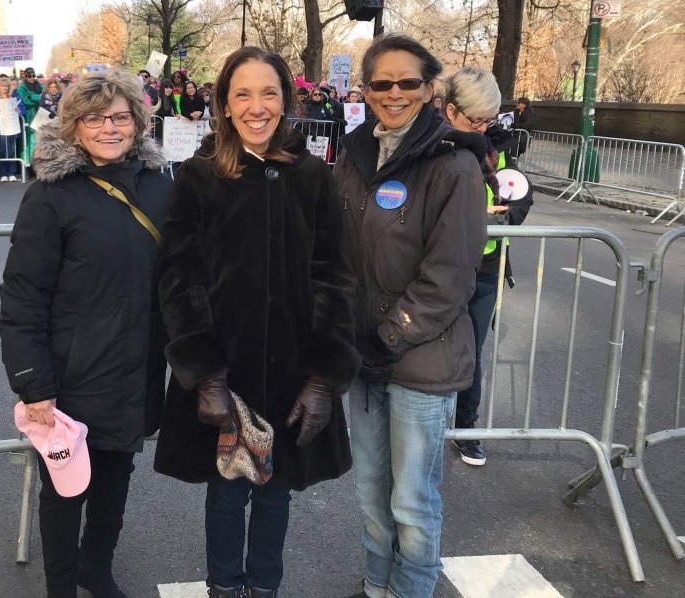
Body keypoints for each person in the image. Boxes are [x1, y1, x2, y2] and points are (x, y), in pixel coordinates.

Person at [156, 46, 359, 598]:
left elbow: (336, 277)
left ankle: (264, 588)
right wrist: (207, 375)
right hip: (229, 368)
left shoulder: (314, 176)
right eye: (242, 93)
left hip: (294, 370)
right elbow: (179, 277)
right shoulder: (199, 177)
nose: (256, 106)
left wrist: (322, 379)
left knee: (277, 492)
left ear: (286, 99)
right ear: (223, 103)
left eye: (268, 92)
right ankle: (224, 588)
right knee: (226, 493)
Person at [0, 68, 172, 598]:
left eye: (120, 116)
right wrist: (34, 383)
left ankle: (97, 569)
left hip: (138, 361)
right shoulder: (51, 195)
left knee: (117, 474)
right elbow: (23, 295)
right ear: (74, 126)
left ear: (138, 122)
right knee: (65, 486)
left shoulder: (160, 184)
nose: (109, 128)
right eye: (95, 118)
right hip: (74, 369)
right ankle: (62, 586)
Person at [333, 34, 489, 598]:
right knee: (371, 487)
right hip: (364, 355)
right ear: (366, 89)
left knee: (412, 498)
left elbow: (450, 273)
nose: (394, 93)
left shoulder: (454, 165)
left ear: (429, 89)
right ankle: (378, 583)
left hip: (421, 356)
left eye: (408, 83)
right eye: (381, 83)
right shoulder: (350, 158)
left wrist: (390, 334)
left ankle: (413, 589)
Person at [442, 67, 533, 466]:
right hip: (442, 267)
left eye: (487, 119)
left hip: (487, 266)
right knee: (429, 351)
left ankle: (467, 428)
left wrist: (506, 217)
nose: (480, 127)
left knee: (473, 351)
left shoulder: (500, 146)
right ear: (449, 111)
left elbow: (521, 195)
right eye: (473, 119)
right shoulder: (435, 146)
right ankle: (421, 427)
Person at [0, 73, 22, 182]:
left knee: (11, 150)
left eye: (7, 86)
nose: (5, 88)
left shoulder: (15, 97)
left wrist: (18, 111)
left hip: (11, 126)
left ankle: (12, 172)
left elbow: (22, 108)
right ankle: (3, 173)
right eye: (3, 86)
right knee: (2, 150)